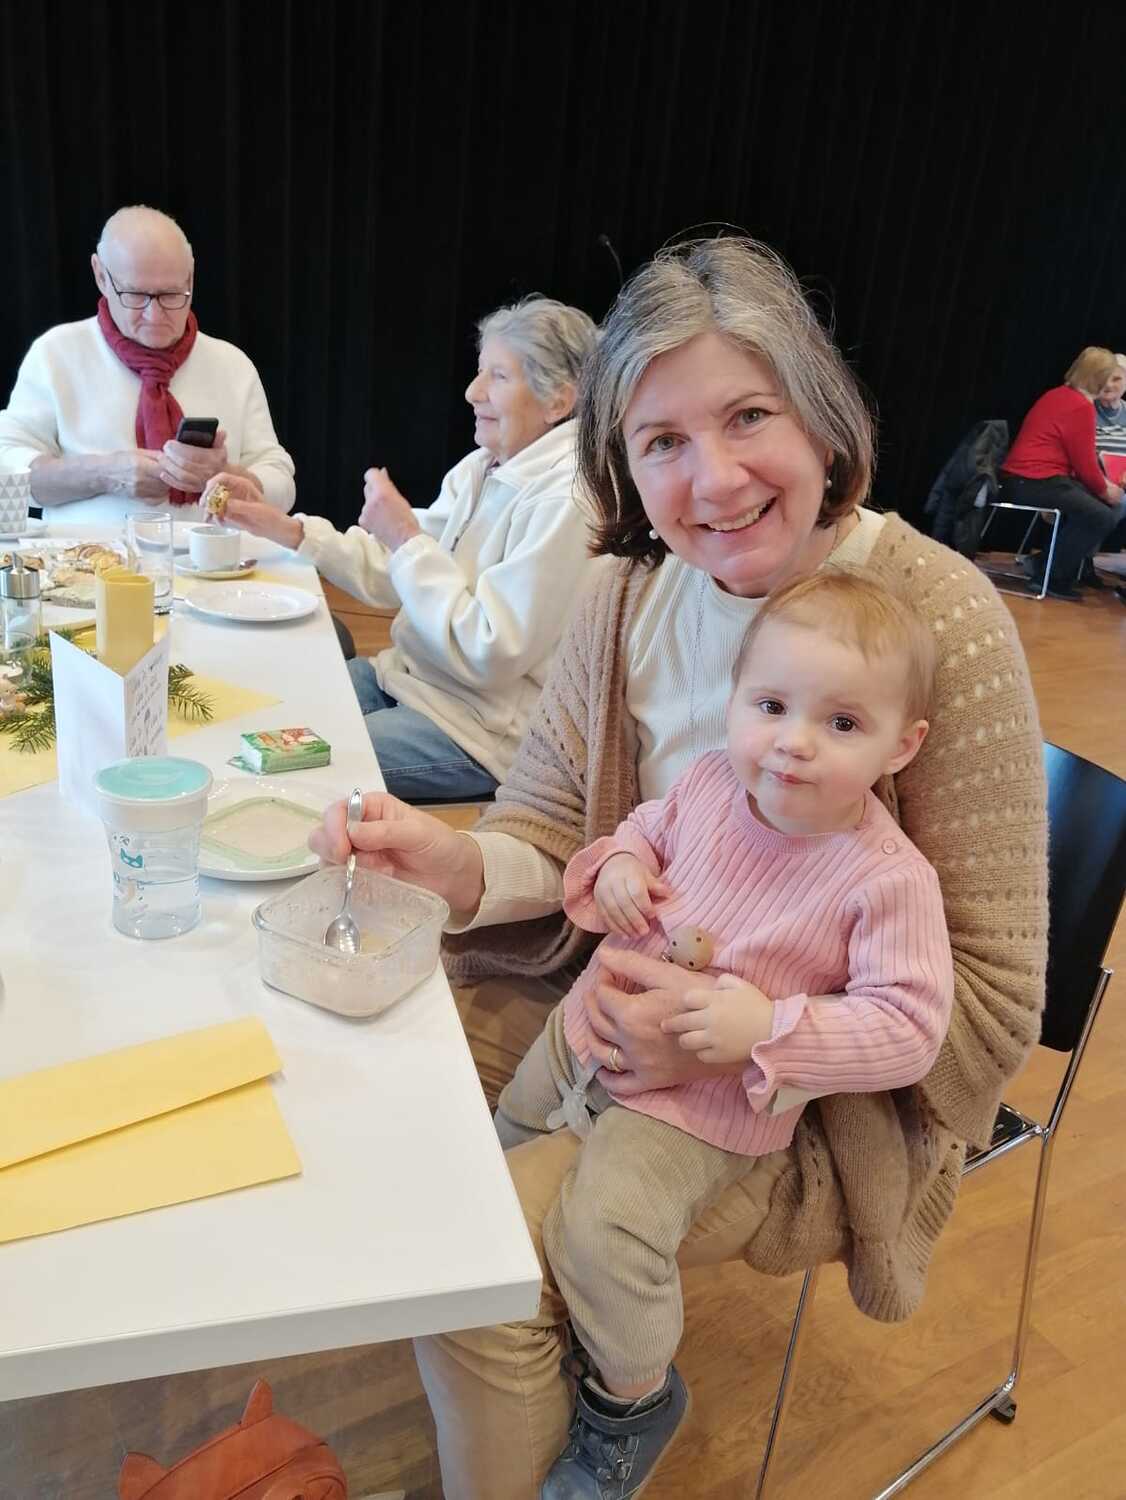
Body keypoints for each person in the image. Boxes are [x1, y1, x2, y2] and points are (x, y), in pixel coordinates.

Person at [310, 238, 1048, 1500]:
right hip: (605, 996)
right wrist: (459, 866)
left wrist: (737, 1033)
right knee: (360, 1060)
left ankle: (589, 1401)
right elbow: (555, 825)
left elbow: (986, 1005)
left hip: (784, 1097)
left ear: (821, 413)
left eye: (748, 415)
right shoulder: (625, 589)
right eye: (661, 440)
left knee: (472, 1266)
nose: (712, 479)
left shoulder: (939, 620)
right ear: (618, 462)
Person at [496, 568, 954, 1495]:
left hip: (701, 1108)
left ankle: (632, 1399)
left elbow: (911, 1027)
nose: (792, 743)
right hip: (587, 1028)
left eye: (842, 724)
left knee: (602, 1230)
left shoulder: (889, 880)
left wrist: (769, 1028)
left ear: (900, 746)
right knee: (507, 1129)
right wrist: (622, 862)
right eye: (772, 706)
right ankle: (550, 1313)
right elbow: (647, 826)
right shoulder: (710, 779)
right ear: (736, 698)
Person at [205, 296, 598, 801]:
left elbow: (490, 649)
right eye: (480, 371)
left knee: (280, 770)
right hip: (407, 682)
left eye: (498, 377)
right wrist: (281, 527)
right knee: (265, 712)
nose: (472, 391)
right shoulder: (484, 467)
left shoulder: (568, 499)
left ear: (558, 401)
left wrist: (406, 539)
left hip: (475, 732)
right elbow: (396, 574)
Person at [0, 205, 295, 526]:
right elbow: (7, 474)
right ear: (101, 276)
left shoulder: (232, 365)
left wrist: (226, 476)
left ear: (191, 278)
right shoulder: (56, 354)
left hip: (213, 556)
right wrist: (104, 474)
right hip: (84, 557)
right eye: (135, 295)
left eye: (171, 294)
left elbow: (281, 485)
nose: (155, 316)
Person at [998, 346, 1126, 599]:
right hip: (1035, 481)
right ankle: (1052, 578)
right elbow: (1084, 463)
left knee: (1101, 509)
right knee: (1102, 515)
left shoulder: (1057, 395)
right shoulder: (1080, 406)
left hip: (1026, 479)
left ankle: (1045, 566)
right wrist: (1105, 490)